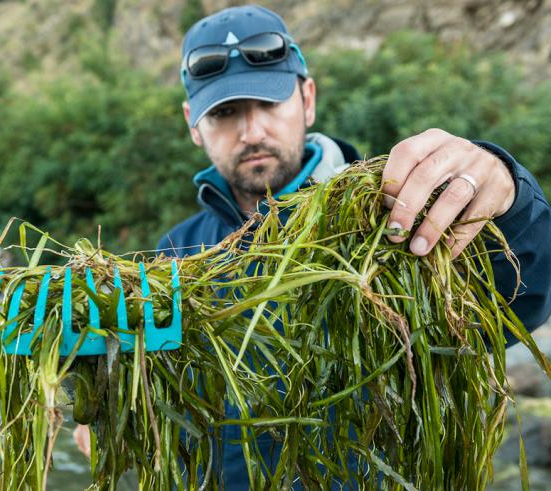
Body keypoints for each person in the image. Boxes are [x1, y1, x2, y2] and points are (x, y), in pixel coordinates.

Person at [76, 4, 551, 487]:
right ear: (194, 126)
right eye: (225, 113)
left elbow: (519, 305)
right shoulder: (174, 252)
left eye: (269, 103)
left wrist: (508, 195)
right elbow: (164, 407)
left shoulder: (394, 218)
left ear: (307, 98)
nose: (252, 131)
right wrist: (113, 407)